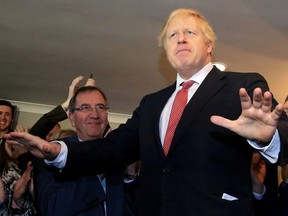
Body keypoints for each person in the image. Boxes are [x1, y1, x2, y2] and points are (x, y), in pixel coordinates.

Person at [5, 8, 288, 216]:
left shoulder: (242, 85)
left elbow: (281, 130)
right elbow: (111, 149)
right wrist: (58, 151)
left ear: (209, 45)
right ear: (165, 50)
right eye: (172, 35)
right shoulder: (152, 104)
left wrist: (269, 138)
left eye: (190, 32)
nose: (180, 38)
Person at [32, 85, 133, 216]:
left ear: (106, 115)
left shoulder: (117, 152)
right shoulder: (52, 152)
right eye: (86, 108)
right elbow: (51, 208)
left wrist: (131, 175)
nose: (95, 115)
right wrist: (99, 169)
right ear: (72, 118)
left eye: (100, 107)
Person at [0, 100, 36, 215]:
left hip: (12, 204)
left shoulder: (16, 141)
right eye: (0, 113)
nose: (3, 117)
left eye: (7, 114)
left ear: (12, 120)